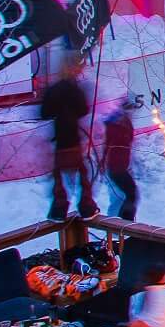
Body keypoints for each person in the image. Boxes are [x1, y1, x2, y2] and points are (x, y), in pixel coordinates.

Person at [37, 55, 90, 221]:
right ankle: (86, 207)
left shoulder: (53, 90)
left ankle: (59, 209)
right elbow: (84, 110)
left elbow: (44, 113)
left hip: (60, 138)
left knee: (59, 174)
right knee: (82, 172)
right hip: (73, 137)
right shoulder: (75, 89)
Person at [97, 95, 139, 222]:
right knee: (126, 195)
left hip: (121, 166)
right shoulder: (117, 125)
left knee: (125, 195)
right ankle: (122, 224)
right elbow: (109, 145)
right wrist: (103, 162)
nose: (132, 112)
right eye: (130, 109)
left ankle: (122, 224)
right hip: (115, 167)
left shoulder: (126, 123)